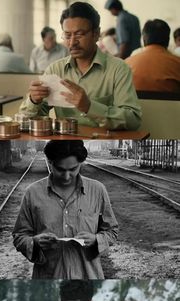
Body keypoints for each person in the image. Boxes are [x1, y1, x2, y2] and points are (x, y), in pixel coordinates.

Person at [19, 2, 141, 131]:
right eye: (67, 35)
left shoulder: (118, 69)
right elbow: (28, 120)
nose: (72, 42)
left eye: (79, 34)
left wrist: (89, 107)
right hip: (65, 144)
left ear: (96, 33)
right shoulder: (55, 70)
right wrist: (33, 101)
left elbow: (133, 120)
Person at [13, 140, 118, 280]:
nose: (67, 176)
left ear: (81, 163)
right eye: (60, 170)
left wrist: (96, 239)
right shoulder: (33, 193)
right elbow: (19, 236)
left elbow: (112, 231)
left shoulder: (97, 190)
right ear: (50, 162)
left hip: (88, 277)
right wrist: (35, 241)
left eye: (73, 169)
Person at [125, 19, 180, 93]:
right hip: (168, 104)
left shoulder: (126, 64)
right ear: (168, 40)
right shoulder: (177, 63)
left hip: (133, 104)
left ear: (144, 39)